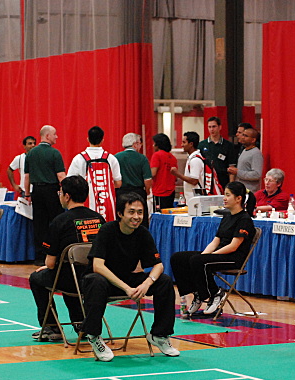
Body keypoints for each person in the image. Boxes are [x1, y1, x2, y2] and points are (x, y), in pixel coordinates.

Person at [80, 192, 179, 361]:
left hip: (127, 279)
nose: (136, 217)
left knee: (164, 281)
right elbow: (98, 266)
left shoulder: (142, 233)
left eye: (140, 212)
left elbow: (159, 265)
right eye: (131, 212)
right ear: (120, 214)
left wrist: (147, 284)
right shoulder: (107, 230)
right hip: (102, 281)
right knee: (96, 281)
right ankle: (94, 336)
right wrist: (126, 288)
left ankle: (160, 335)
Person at [29, 175, 106, 342]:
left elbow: (50, 263)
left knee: (38, 278)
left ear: (67, 196)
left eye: (60, 192)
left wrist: (51, 266)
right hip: (97, 278)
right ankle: (81, 325)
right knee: (69, 273)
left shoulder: (60, 221)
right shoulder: (99, 219)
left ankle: (51, 327)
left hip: (71, 279)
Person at [170, 181, 256, 317]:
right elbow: (216, 240)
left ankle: (216, 293)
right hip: (220, 254)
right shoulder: (227, 216)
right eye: (224, 195)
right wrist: (205, 254)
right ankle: (197, 294)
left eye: (228, 195)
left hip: (233, 258)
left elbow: (233, 246)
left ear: (238, 198)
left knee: (198, 261)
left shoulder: (244, 219)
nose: (224, 198)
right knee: (178, 258)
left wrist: (209, 256)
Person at [24, 125, 66, 266]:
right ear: (47, 136)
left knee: (39, 224)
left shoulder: (30, 154)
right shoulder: (55, 153)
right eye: (55, 134)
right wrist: (67, 191)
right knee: (56, 222)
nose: (56, 137)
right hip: (51, 191)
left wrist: (27, 194)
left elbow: (27, 177)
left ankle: (39, 256)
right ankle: (56, 254)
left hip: (36, 191)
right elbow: (61, 176)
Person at [67, 126, 122, 222]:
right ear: (102, 140)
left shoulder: (79, 158)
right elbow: (118, 183)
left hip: (85, 207)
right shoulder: (111, 158)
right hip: (107, 208)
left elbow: (69, 183)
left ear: (88, 139)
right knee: (107, 228)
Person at [115, 132, 152, 224]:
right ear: (135, 144)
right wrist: (147, 191)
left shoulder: (116, 157)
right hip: (138, 193)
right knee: (140, 219)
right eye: (140, 143)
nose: (140, 146)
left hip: (121, 193)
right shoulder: (142, 158)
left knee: (121, 219)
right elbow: (147, 180)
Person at [198, 116, 235, 189]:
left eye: (214, 126)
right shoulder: (202, 145)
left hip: (223, 181)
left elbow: (232, 167)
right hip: (206, 182)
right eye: (209, 127)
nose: (212, 129)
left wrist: (231, 186)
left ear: (220, 127)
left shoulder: (228, 145)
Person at [170, 131, 206, 203]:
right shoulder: (192, 158)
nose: (182, 145)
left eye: (184, 142)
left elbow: (194, 181)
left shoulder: (195, 160)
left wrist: (177, 174)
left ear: (191, 144)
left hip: (196, 199)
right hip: (192, 199)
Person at [227, 128, 263, 193]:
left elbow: (257, 174)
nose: (243, 137)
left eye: (246, 136)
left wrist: (238, 172)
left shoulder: (256, 153)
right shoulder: (244, 150)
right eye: (243, 135)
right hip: (241, 190)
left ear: (253, 140)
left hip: (250, 191)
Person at [150, 133, 178, 210]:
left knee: (159, 214)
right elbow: (175, 177)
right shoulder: (173, 157)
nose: (153, 145)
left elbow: (153, 173)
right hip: (171, 192)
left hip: (160, 191)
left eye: (154, 143)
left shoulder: (157, 155)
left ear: (158, 144)